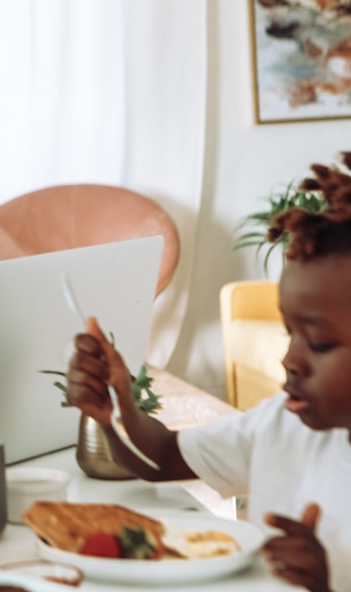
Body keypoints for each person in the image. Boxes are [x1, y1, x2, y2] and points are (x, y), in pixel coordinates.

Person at [64, 152, 351, 592]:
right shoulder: (282, 425)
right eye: (289, 331)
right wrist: (117, 404)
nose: (289, 359)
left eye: (319, 342)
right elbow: (162, 457)